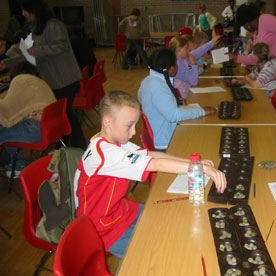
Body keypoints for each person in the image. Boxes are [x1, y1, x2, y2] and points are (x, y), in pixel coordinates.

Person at [74, 89, 226, 258]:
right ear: (107, 122)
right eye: (129, 125)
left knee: (169, 222)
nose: (133, 132)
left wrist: (194, 163)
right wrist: (201, 169)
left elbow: (152, 154)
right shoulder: (105, 153)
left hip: (120, 211)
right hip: (101, 229)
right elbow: (155, 164)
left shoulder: (113, 142)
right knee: (156, 254)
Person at [0, 0, 86, 150]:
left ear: (33, 10)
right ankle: (66, 149)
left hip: (65, 80)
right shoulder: (36, 27)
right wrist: (6, 64)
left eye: (25, 10)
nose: (23, 14)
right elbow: (26, 55)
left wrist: (37, 50)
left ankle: (79, 148)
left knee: (67, 116)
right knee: (64, 116)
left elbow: (62, 46)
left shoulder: (54, 25)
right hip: (54, 80)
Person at [138, 48, 217, 151]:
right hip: (167, 142)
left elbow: (147, 100)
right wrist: (202, 111)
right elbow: (173, 115)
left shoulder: (148, 80)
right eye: (176, 63)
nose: (177, 65)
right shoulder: (157, 86)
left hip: (163, 132)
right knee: (207, 140)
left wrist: (172, 101)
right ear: (171, 69)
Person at [0, 62, 56, 176]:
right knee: (10, 126)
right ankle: (17, 164)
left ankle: (18, 165)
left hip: (36, 130)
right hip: (52, 127)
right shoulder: (38, 81)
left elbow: (7, 108)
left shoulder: (19, 79)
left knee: (5, 126)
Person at [169, 34, 220, 99]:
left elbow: (198, 52)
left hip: (187, 92)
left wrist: (211, 43)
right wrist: (193, 64)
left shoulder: (183, 58)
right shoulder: (178, 64)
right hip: (182, 97)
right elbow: (194, 81)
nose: (188, 51)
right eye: (186, 49)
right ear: (179, 49)